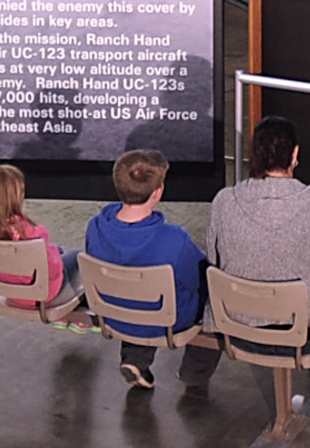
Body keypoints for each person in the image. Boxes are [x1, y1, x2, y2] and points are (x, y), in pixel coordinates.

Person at [207, 115, 310, 384]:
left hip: (239, 329)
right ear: (295, 154)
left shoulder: (223, 202)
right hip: (305, 338)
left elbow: (213, 262)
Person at [84, 148, 221, 391]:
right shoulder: (174, 239)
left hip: (113, 313)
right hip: (166, 320)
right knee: (212, 291)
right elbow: (196, 279)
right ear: (157, 193)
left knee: (134, 290)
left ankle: (134, 358)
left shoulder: (95, 227)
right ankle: (195, 371)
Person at [0, 165, 79, 321]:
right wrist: (52, 252)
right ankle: (76, 318)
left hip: (11, 290)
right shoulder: (29, 236)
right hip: (41, 294)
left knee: (58, 250)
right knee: (78, 258)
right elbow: (53, 270)